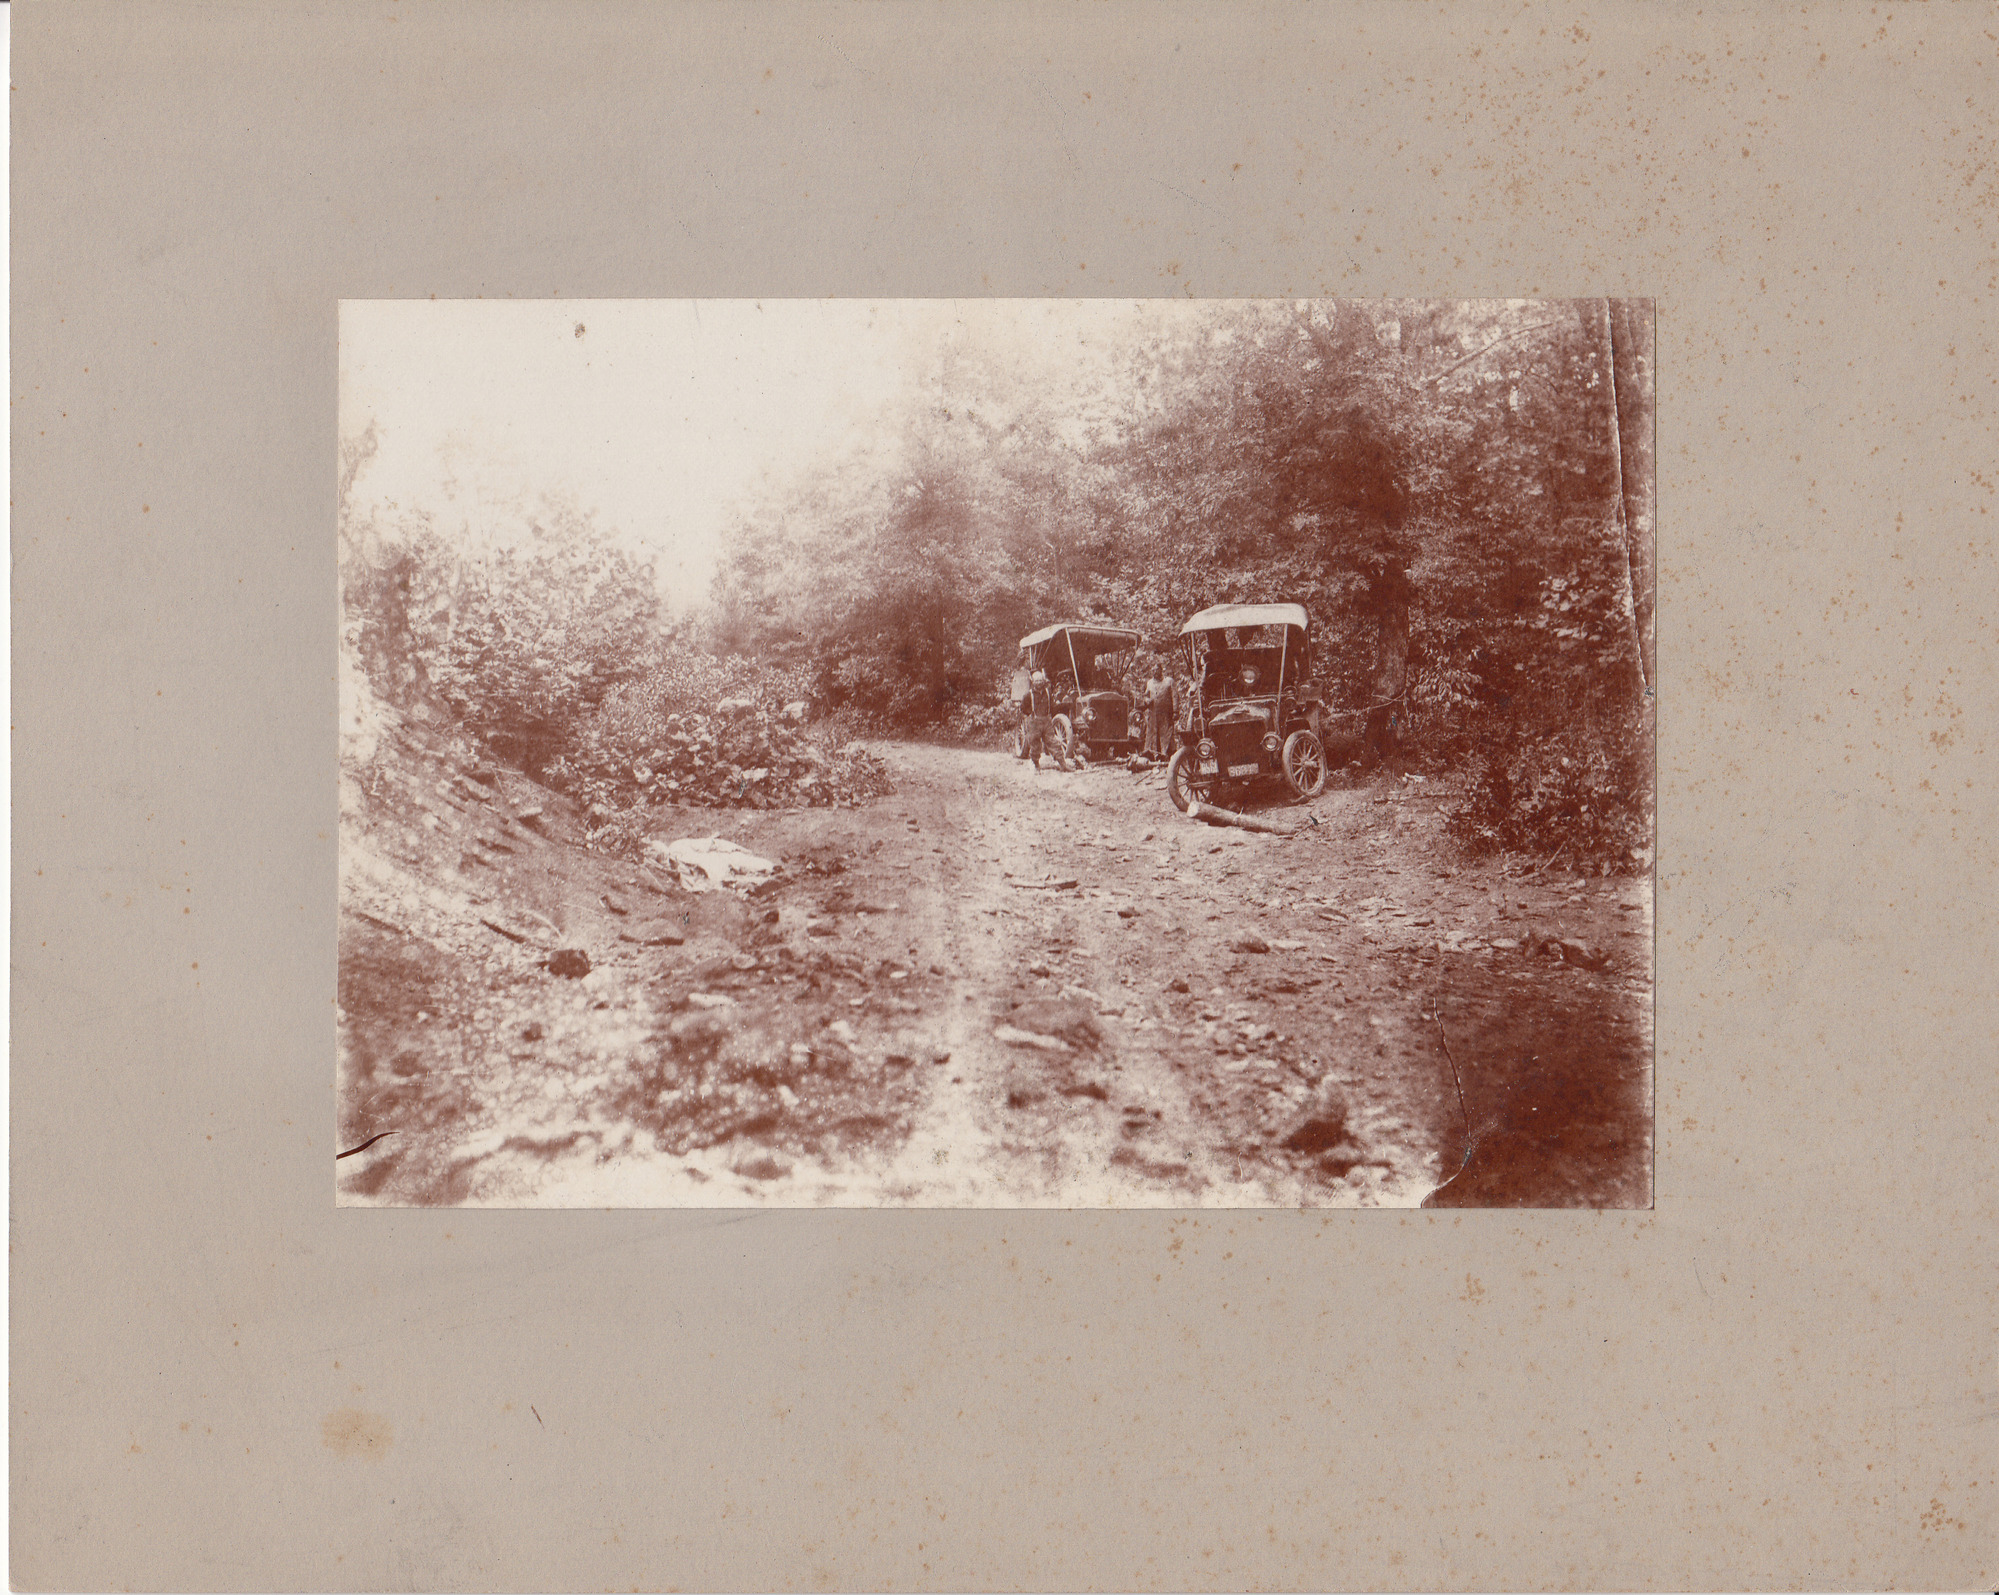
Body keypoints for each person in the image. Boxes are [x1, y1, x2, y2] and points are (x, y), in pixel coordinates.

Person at [1019, 670, 1073, 772]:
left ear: (1044, 681)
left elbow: (1052, 707)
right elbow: (1022, 708)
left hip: (1047, 721)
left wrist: (1063, 706)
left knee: (1053, 743)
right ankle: (1036, 765)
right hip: (1035, 723)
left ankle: (1063, 764)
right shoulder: (1028, 695)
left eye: (1040, 680)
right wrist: (1031, 715)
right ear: (1033, 681)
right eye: (1037, 681)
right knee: (1035, 745)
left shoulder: (1048, 693)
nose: (1039, 683)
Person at [1142, 664, 1175, 758]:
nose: (1154, 672)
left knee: (1166, 733)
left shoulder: (1169, 681)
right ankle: (1153, 754)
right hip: (1153, 713)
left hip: (1166, 713)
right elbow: (1145, 695)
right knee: (1152, 733)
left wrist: (1176, 711)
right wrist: (1146, 700)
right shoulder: (1149, 683)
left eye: (1156, 670)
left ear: (1161, 670)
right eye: (1153, 670)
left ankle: (1166, 754)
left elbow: (1175, 696)